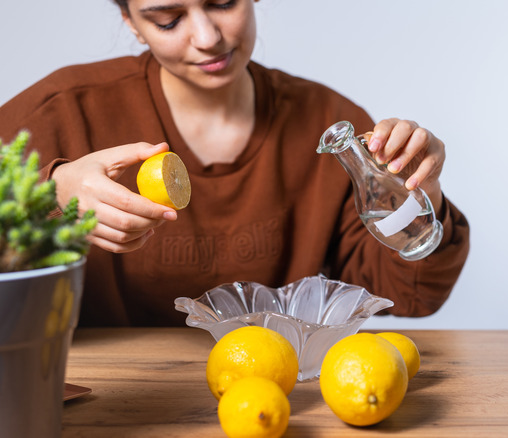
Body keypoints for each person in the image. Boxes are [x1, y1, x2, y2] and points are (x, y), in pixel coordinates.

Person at [0, 0, 469, 326]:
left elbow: (410, 295)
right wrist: (50, 192)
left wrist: (420, 202)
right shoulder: (62, 111)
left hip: (274, 390)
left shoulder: (326, 122)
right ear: (130, 22)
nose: (207, 38)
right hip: (116, 403)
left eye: (223, 3)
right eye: (167, 20)